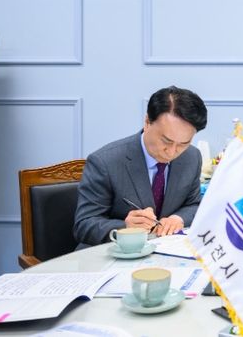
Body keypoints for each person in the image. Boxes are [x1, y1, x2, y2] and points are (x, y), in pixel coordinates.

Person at [74, 86, 207, 247]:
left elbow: (194, 204)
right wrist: (125, 227)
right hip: (114, 252)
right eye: (166, 141)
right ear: (147, 122)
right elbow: (84, 224)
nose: (172, 152)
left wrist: (177, 219)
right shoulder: (104, 162)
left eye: (183, 144)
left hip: (166, 252)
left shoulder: (192, 157)